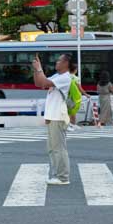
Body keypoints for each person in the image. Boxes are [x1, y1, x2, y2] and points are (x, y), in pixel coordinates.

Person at [31, 54, 76, 186]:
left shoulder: (65, 77)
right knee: (52, 148)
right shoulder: (57, 77)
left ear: (66, 63)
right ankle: (57, 174)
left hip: (58, 117)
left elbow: (44, 82)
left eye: (59, 60)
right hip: (53, 116)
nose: (56, 62)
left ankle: (63, 177)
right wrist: (36, 70)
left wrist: (39, 69)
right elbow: (39, 83)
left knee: (59, 148)